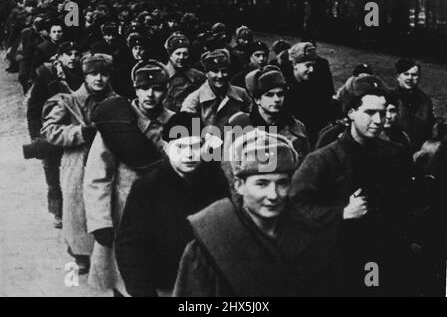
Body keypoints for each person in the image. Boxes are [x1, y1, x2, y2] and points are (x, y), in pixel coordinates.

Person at [173, 129, 341, 296]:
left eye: (282, 183)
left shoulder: (313, 238)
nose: (273, 195)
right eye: (261, 183)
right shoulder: (210, 243)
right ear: (239, 185)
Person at [289, 79, 415, 295]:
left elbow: (405, 208)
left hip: (386, 257)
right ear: (351, 113)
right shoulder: (322, 160)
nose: (379, 120)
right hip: (340, 261)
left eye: (382, 113)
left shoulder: (397, 155)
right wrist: (341, 213)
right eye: (370, 112)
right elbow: (293, 210)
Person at [84, 61, 174, 297]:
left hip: (166, 213)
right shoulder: (118, 123)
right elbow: (97, 176)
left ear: (167, 90)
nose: (151, 94)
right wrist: (100, 221)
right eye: (144, 88)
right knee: (124, 281)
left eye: (157, 88)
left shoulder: (179, 122)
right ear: (135, 88)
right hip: (124, 214)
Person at [115, 112, 230, 297]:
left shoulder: (215, 180)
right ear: (167, 147)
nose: (189, 154)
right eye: (181, 147)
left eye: (196, 146)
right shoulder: (147, 187)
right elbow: (129, 247)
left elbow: (228, 232)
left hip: (209, 286)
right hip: (165, 286)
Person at [41, 53, 116, 274]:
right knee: (76, 210)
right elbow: (49, 131)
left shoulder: (116, 102)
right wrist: (80, 132)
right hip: (77, 162)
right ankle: (80, 253)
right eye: (93, 74)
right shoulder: (69, 101)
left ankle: (106, 252)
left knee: (108, 204)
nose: (99, 79)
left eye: (103, 74)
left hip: (109, 161)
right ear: (85, 77)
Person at [25, 41, 83, 229]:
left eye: (76, 54)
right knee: (52, 173)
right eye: (68, 54)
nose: (73, 57)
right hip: (51, 131)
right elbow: (33, 108)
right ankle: (58, 212)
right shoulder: (47, 75)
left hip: (75, 132)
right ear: (59, 57)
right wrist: (36, 136)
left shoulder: (85, 75)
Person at [181, 49, 252, 132]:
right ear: (206, 73)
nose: (220, 75)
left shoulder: (240, 94)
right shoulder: (194, 99)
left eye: (224, 71)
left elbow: (254, 118)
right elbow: (189, 131)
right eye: (215, 71)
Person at [283, 42, 332, 147]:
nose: (311, 70)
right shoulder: (282, 88)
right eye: (308, 65)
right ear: (295, 64)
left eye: (313, 65)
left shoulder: (317, 86)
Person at [392, 58, 435, 150]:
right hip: (395, 148)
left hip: (419, 150)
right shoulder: (390, 97)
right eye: (406, 74)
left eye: (414, 75)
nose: (410, 78)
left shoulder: (425, 100)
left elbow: (429, 127)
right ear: (398, 76)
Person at [163, 33, 205, 112]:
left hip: (193, 119)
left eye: (185, 54)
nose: (181, 57)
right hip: (169, 120)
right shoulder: (161, 75)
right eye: (178, 54)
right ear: (170, 55)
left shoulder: (198, 76)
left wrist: (196, 123)